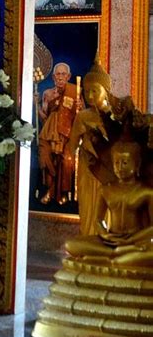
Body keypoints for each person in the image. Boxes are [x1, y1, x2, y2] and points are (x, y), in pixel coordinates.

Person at [65, 138, 153, 266]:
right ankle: (116, 255)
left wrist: (131, 240)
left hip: (135, 242)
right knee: (71, 245)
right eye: (116, 162)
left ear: (137, 164)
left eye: (125, 162)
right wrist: (105, 235)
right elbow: (98, 220)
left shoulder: (146, 192)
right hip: (111, 240)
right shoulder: (105, 190)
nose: (120, 167)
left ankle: (109, 257)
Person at [69, 58, 115, 235]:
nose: (89, 96)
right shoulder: (82, 116)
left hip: (108, 170)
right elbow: (72, 146)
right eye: (87, 92)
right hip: (87, 169)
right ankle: (88, 240)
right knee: (88, 208)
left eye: (94, 91)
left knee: (107, 212)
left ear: (106, 91)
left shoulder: (115, 116)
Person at [38, 62, 81, 205]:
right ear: (53, 77)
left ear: (68, 77)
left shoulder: (75, 92)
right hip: (48, 134)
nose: (61, 77)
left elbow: (81, 117)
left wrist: (79, 109)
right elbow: (43, 117)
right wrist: (35, 105)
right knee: (46, 158)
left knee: (66, 160)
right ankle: (50, 191)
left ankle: (63, 193)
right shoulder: (47, 94)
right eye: (58, 74)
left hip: (68, 135)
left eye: (64, 74)